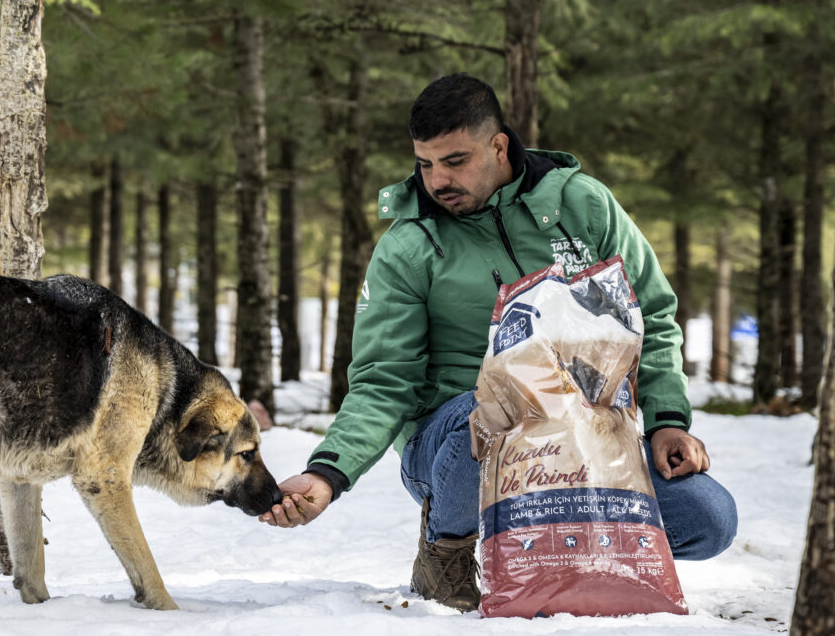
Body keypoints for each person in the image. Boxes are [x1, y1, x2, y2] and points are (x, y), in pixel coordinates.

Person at [259, 73, 737, 612]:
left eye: (454, 161)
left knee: (708, 518)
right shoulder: (411, 245)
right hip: (456, 445)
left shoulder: (585, 206)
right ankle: (449, 547)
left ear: (499, 145)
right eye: (424, 163)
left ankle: (564, 550)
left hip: (587, 439)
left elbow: (650, 312)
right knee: (496, 408)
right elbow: (383, 381)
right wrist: (328, 472)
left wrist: (669, 419)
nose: (437, 180)